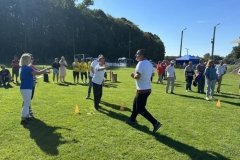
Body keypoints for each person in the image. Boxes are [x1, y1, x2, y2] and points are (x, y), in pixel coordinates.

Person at [126, 49, 162, 133]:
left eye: (137, 54)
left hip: (143, 90)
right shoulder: (149, 63)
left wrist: (133, 75)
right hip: (146, 89)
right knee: (135, 104)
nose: (136, 56)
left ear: (142, 56)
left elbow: (137, 76)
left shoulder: (140, 63)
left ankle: (155, 123)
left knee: (140, 109)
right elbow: (153, 74)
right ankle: (132, 120)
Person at [19, 53, 50, 125]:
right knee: (26, 104)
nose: (31, 60)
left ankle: (26, 117)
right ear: (27, 60)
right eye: (30, 59)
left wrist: (44, 71)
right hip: (26, 88)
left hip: (25, 87)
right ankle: (23, 120)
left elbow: (37, 73)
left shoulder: (24, 67)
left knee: (27, 103)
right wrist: (46, 69)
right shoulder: (27, 68)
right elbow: (38, 73)